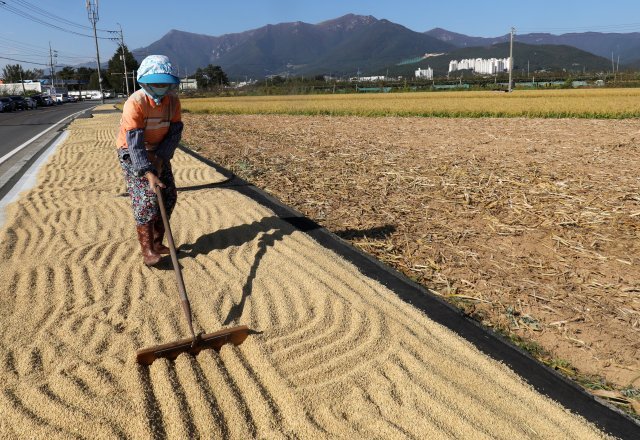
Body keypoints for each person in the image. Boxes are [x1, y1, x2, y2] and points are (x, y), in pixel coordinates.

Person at [116, 55, 184, 266]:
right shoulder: (135, 103)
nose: (160, 87)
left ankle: (157, 241)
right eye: (155, 83)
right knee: (146, 198)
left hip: (159, 150)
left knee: (169, 196)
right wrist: (148, 171)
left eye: (165, 83)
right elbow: (134, 142)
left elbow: (174, 134)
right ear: (144, 81)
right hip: (133, 152)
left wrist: (161, 159)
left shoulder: (172, 102)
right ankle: (147, 250)